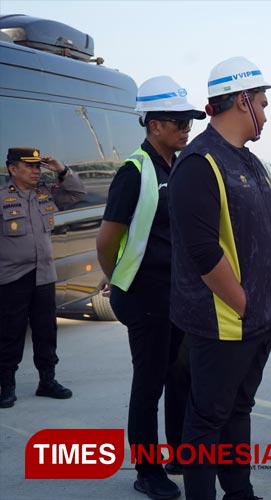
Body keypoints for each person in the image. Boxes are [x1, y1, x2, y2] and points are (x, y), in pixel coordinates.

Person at [169, 56, 271, 500]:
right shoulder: (199, 163)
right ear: (243, 100)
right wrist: (242, 303)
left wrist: (267, 305)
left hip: (258, 320)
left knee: (239, 408)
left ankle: (238, 493)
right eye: (262, 101)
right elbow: (203, 253)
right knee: (205, 421)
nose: (266, 111)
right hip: (225, 323)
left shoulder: (249, 161)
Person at [96, 76, 205, 499]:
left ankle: (178, 452)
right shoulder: (134, 171)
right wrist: (118, 276)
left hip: (177, 297)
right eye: (178, 121)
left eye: (188, 120)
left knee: (181, 376)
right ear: (153, 124)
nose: (186, 127)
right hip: (145, 297)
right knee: (149, 385)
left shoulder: (176, 166)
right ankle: (147, 469)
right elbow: (108, 239)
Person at [0, 147, 85, 409]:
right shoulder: (2, 198)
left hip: (45, 275)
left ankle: (47, 381)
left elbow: (77, 193)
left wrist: (61, 170)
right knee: (10, 333)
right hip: (12, 277)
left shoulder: (45, 192)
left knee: (46, 330)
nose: (37, 171)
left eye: (39, 166)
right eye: (30, 166)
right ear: (13, 169)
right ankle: (7, 387)